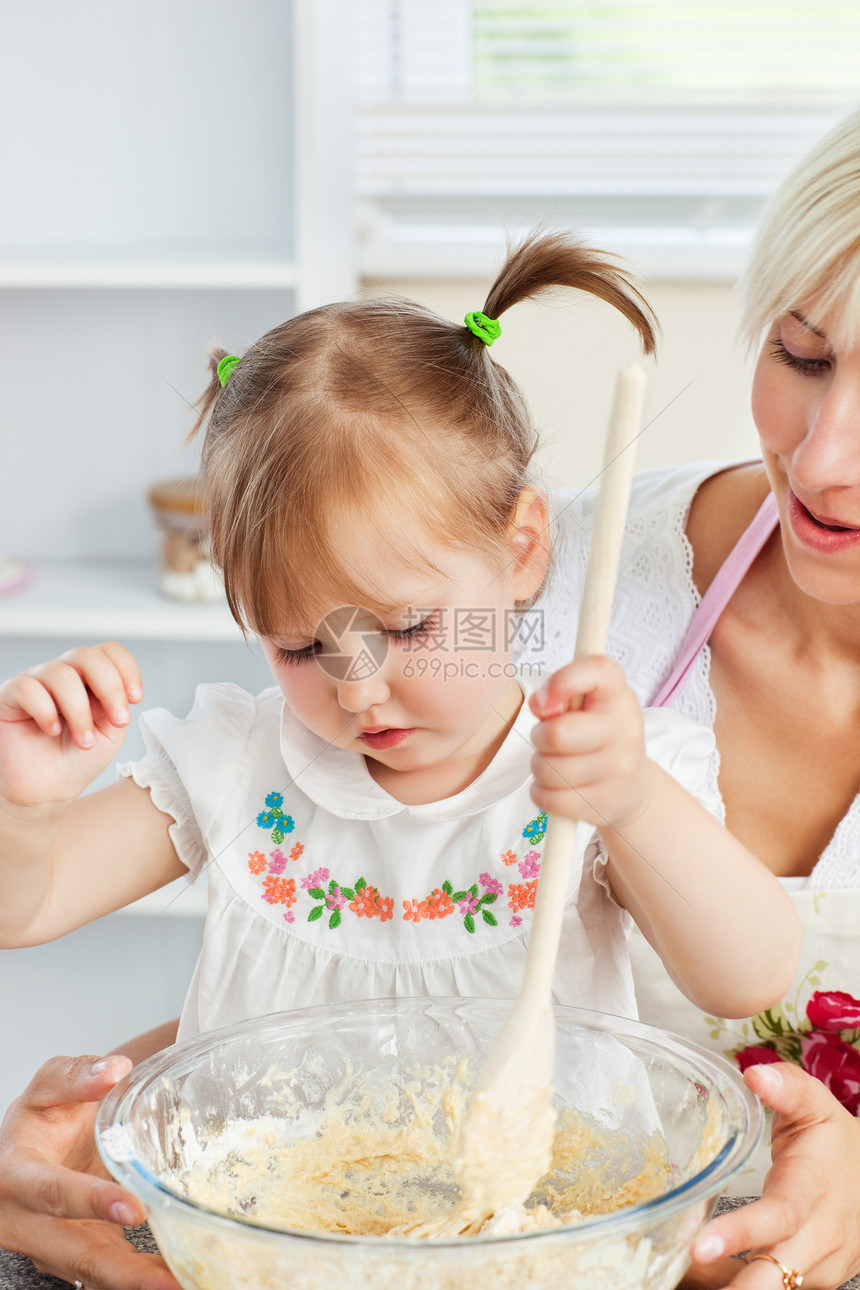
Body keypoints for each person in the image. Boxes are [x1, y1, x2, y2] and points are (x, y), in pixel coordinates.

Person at [0, 233, 800, 1282]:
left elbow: (747, 975)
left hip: (547, 1241)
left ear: (520, 551)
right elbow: (26, 905)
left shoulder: (593, 765)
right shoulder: (241, 763)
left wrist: (632, 800)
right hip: (271, 1244)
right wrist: (24, 811)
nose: (356, 686)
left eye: (406, 628)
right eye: (300, 645)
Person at [526, 107, 860, 1290]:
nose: (822, 460)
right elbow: (349, 905)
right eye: (803, 357)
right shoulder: (569, 575)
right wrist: (110, 1126)